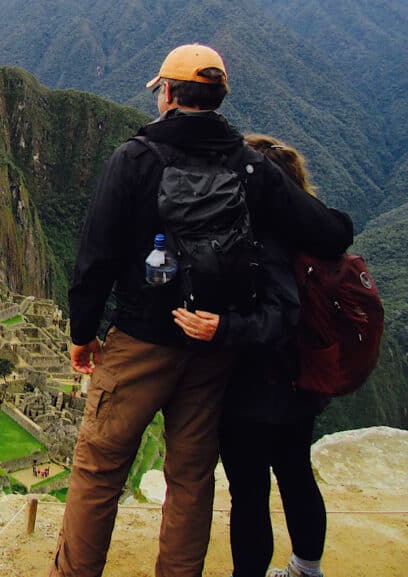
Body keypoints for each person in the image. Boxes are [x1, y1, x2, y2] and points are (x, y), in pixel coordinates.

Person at [49, 44, 352, 577]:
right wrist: (337, 222)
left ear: (167, 94)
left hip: (140, 341)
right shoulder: (252, 166)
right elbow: (328, 233)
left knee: (99, 469)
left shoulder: (135, 158)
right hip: (213, 351)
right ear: (218, 99)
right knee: (190, 479)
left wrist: (83, 333)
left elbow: (96, 254)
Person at [174, 134, 340, 577]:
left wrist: (223, 327)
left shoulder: (263, 239)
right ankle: (307, 567)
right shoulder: (308, 234)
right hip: (300, 381)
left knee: (249, 491)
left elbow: (280, 315)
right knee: (295, 472)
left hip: (255, 388)